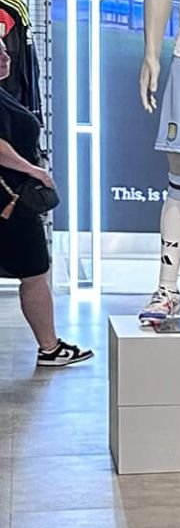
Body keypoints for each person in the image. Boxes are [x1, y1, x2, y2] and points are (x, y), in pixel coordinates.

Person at [0, 40, 91, 367]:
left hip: (13, 201)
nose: (6, 57)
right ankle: (49, 347)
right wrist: (33, 170)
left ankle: (50, 346)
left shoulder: (5, 94)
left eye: (5, 50)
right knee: (35, 272)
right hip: (10, 204)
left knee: (34, 273)